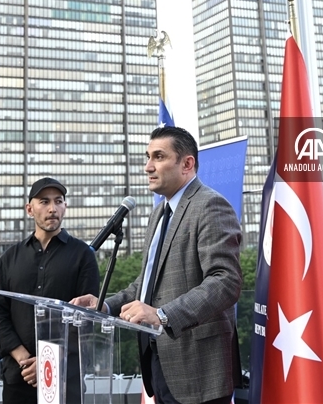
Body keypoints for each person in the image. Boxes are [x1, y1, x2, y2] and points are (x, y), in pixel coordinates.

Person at [72, 126, 242, 404]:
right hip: (158, 364)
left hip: (199, 370)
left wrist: (163, 315)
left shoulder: (210, 205)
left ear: (187, 164)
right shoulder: (159, 214)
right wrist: (104, 305)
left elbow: (225, 281)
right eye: (147, 157)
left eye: (159, 157)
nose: (148, 166)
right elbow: (146, 284)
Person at [0, 177, 99, 404]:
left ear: (65, 207)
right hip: (20, 377)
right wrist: (26, 360)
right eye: (44, 202)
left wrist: (48, 361)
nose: (52, 208)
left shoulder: (83, 255)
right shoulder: (10, 258)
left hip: (66, 377)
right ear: (30, 209)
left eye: (58, 201)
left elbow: (85, 318)